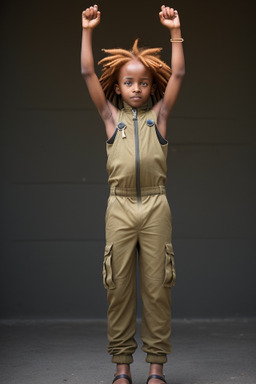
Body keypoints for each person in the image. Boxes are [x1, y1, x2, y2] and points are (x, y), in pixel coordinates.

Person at [81, 4, 185, 384]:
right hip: (119, 207)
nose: (136, 88)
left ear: (151, 85)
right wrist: (87, 30)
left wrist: (175, 32)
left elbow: (180, 74)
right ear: (118, 86)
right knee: (118, 288)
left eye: (143, 83)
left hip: (156, 206)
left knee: (158, 289)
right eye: (128, 82)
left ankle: (156, 369)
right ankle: (122, 368)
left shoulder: (160, 117)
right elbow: (87, 71)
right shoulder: (112, 120)